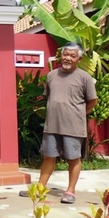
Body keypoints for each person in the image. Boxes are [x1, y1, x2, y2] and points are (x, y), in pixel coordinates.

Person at [19, 42, 97, 204]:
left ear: (79, 59)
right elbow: (50, 97)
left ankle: (70, 191)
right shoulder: (51, 75)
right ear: (61, 55)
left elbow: (92, 101)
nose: (68, 58)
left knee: (73, 158)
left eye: (72, 55)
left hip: (74, 127)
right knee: (48, 157)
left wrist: (78, 115)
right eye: (65, 54)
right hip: (52, 125)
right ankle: (40, 189)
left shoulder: (85, 77)